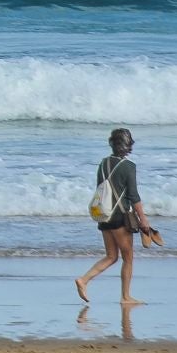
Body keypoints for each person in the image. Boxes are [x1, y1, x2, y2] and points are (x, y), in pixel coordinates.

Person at [75, 128, 160, 306]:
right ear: (128, 146)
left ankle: (83, 280)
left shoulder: (103, 163)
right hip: (120, 218)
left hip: (104, 216)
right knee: (127, 258)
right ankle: (125, 297)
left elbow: (101, 188)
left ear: (112, 144)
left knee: (111, 256)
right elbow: (134, 196)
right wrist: (143, 220)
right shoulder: (129, 167)